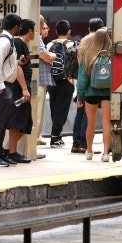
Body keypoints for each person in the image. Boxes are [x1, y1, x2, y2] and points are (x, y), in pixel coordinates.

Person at [0, 13, 23, 168]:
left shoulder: (9, 41)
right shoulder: (4, 42)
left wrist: (18, 62)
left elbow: (5, 64)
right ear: (16, 27)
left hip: (5, 86)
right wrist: (1, 86)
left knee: (2, 121)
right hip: (0, 86)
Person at [20, 15, 57, 161]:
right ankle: (33, 145)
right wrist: (53, 55)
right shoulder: (38, 39)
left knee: (36, 113)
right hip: (39, 80)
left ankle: (33, 143)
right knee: (37, 113)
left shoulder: (34, 38)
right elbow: (46, 57)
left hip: (38, 79)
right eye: (42, 23)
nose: (43, 25)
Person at [76, 26, 114, 161]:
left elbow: (82, 79)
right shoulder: (112, 54)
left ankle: (89, 151)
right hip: (107, 93)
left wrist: (80, 96)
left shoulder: (88, 54)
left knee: (90, 123)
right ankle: (105, 153)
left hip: (91, 92)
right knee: (106, 123)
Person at [2, 19, 37, 164]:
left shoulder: (22, 45)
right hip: (18, 89)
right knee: (16, 121)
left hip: (23, 88)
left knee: (26, 123)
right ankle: (12, 152)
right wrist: (24, 88)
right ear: (30, 31)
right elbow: (18, 67)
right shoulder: (18, 44)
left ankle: (7, 150)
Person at [71, 18, 106, 153]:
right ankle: (85, 144)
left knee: (80, 114)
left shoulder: (83, 41)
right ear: (101, 29)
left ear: (88, 28)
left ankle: (76, 144)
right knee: (88, 116)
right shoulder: (98, 41)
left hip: (81, 81)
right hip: (94, 83)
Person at [47, 20, 78, 148]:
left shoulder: (49, 44)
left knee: (54, 108)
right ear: (69, 31)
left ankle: (56, 135)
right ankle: (55, 137)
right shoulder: (73, 44)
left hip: (51, 81)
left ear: (56, 31)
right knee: (62, 109)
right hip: (66, 81)